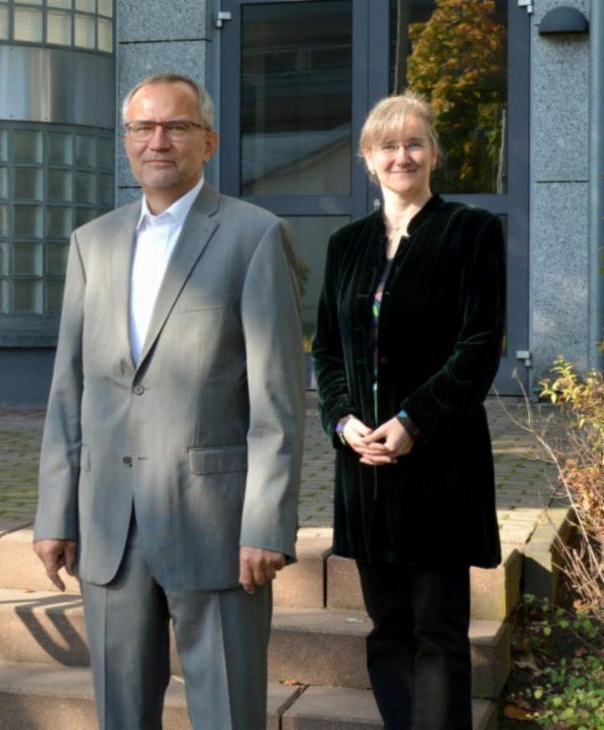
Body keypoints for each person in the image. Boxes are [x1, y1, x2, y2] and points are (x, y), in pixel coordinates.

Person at [33, 73, 305, 729]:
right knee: (121, 715)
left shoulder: (254, 235)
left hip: (214, 525)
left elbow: (277, 399)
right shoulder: (90, 244)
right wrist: (54, 511)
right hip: (109, 526)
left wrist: (265, 522)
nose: (158, 141)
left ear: (207, 141)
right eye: (142, 127)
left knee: (227, 714)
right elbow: (69, 388)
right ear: (126, 141)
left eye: (175, 127)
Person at [312, 93, 505, 729]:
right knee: (387, 628)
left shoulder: (472, 231)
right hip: (365, 471)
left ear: (433, 154)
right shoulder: (346, 245)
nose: (402, 155)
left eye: (414, 142)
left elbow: (478, 346)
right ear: (368, 160)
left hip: (439, 468)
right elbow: (329, 354)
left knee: (438, 632)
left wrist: (412, 421)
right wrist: (344, 424)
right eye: (388, 146)